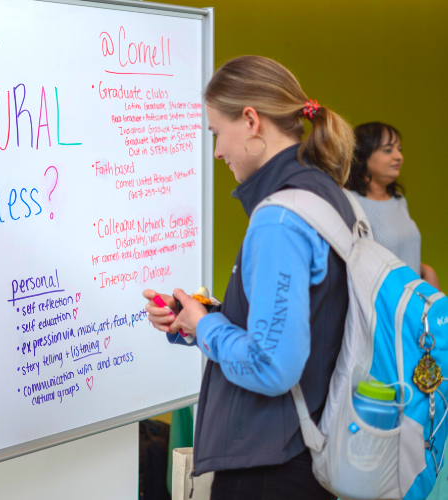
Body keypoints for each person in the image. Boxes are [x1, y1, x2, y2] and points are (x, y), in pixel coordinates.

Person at [142, 55, 355, 500]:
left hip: (270, 467)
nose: (217, 151)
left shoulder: (279, 218)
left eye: (217, 133)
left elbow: (270, 365)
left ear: (252, 121)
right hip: (304, 451)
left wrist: (205, 325)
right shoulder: (323, 192)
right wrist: (199, 320)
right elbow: (304, 322)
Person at [344, 122, 438, 288]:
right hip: (382, 307)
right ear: (362, 156)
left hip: (412, 305)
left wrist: (426, 270)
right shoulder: (351, 202)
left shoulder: (399, 200)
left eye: (399, 149)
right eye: (388, 150)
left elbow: (402, 254)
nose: (398, 157)